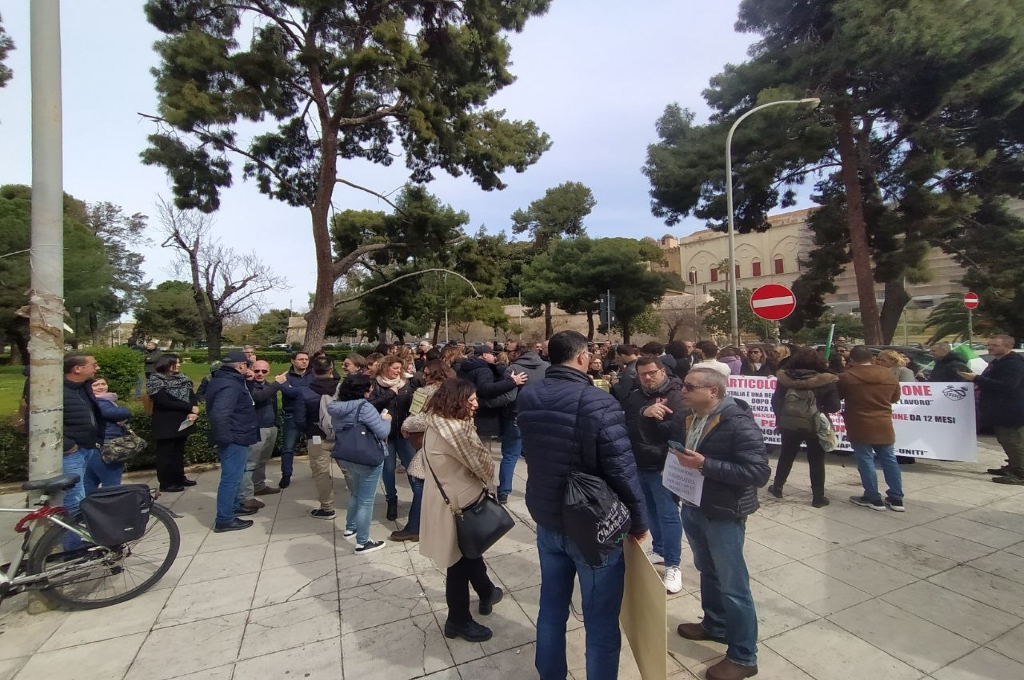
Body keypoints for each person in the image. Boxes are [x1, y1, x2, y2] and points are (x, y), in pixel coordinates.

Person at [517, 330, 648, 680]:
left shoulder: (529, 393)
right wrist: (639, 520)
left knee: (551, 608)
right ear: (581, 357)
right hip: (591, 522)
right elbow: (621, 468)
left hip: (547, 513)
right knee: (601, 619)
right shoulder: (597, 401)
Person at [669, 367, 770, 680]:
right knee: (708, 571)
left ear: (712, 391)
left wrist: (706, 465)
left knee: (733, 585)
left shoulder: (738, 422)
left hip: (724, 512)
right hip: (695, 505)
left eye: (689, 386)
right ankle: (716, 624)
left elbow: (758, 473)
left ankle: (743, 656)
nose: (681, 390)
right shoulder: (692, 417)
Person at [419, 378, 504, 643]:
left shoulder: (437, 422)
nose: (476, 405)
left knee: (469, 552)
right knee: (458, 564)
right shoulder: (454, 432)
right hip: (457, 505)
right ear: (456, 402)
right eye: (471, 401)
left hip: (445, 498)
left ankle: (487, 590)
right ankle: (458, 620)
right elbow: (485, 465)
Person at [623, 355, 688, 593]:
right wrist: (644, 413)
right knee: (650, 510)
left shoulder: (678, 394)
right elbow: (627, 423)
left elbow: (678, 429)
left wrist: (650, 420)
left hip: (665, 465)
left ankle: (673, 564)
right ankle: (659, 548)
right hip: (639, 462)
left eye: (652, 372)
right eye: (643, 374)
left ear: (663, 372)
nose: (648, 377)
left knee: (669, 514)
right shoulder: (635, 395)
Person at [768, 347, 841, 508]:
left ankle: (778, 487)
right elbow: (834, 406)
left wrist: (781, 417)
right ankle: (818, 497)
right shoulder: (826, 380)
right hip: (815, 424)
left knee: (786, 455)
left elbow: (775, 401)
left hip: (789, 423)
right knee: (816, 460)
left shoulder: (784, 378)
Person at [326, 374, 391, 554]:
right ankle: (363, 542)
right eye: (369, 388)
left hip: (347, 456)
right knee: (366, 501)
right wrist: (387, 420)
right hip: (367, 457)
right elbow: (382, 431)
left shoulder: (335, 407)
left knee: (356, 493)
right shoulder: (364, 407)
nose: (371, 391)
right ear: (363, 390)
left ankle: (350, 527)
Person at [838, 346, 905, 511]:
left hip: (858, 421)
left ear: (851, 360)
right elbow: (895, 397)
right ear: (873, 359)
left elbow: (838, 396)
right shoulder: (888, 374)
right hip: (883, 422)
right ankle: (896, 498)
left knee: (865, 459)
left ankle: (872, 496)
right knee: (889, 459)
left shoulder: (847, 376)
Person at [396, 360, 457, 541]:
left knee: (420, 484)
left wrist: (406, 425)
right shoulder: (456, 391)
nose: (423, 377)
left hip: (430, 444)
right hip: (452, 443)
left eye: (427, 373)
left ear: (436, 374)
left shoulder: (423, 392)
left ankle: (415, 527)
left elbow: (419, 418)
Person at [206, 351, 261, 532]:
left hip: (237, 436)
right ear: (240, 366)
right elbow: (219, 414)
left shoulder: (227, 379)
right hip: (234, 438)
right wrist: (226, 439)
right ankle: (224, 518)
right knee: (231, 478)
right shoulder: (230, 385)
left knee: (237, 475)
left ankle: (233, 506)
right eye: (247, 365)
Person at [958, 335, 1024, 483]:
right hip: (999, 409)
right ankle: (1013, 466)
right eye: (989, 344)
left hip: (1012, 410)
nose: (990, 347)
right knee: (1005, 440)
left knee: (1014, 441)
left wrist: (976, 378)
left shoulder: (1014, 364)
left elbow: (1007, 386)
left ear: (1007, 346)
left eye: (995, 345)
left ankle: (1021, 473)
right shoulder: (998, 362)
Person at [497, 342, 550, 505]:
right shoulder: (547, 367)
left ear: (518, 352)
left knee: (510, 455)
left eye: (510, 350)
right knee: (538, 457)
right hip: (541, 416)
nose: (508, 353)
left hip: (516, 415)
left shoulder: (513, 369)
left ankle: (504, 492)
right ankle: (541, 490)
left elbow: (509, 396)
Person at [369, 355, 416, 521]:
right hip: (384, 434)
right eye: (395, 368)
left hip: (404, 432)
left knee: (412, 466)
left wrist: (410, 423)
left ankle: (418, 497)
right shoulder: (375, 384)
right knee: (388, 469)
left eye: (399, 368)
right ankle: (391, 499)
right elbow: (370, 406)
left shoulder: (406, 384)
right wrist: (389, 394)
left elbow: (413, 406)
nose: (398, 371)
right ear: (385, 368)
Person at [294, 356, 341, 519]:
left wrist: (308, 430)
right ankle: (359, 499)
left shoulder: (305, 392)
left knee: (321, 473)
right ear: (331, 369)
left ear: (312, 371)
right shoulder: (341, 389)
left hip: (316, 436)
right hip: (341, 435)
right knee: (349, 470)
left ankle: (327, 507)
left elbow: (299, 418)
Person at [62, 354, 107, 519]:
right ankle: (73, 544)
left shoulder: (84, 387)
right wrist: (68, 445)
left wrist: (97, 440)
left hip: (87, 447)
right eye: (93, 365)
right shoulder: (57, 390)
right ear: (77, 369)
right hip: (71, 452)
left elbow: (95, 413)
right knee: (74, 499)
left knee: (83, 493)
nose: (97, 368)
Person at [148, 353, 199, 492]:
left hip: (183, 421)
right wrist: (188, 407)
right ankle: (166, 482)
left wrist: (193, 411)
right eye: (176, 362)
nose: (179, 365)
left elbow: (191, 396)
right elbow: (163, 401)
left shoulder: (183, 379)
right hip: (166, 422)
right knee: (166, 454)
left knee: (178, 452)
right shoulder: (156, 380)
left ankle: (179, 477)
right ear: (166, 364)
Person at [244, 360, 281, 503]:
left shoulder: (267, 385)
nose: (260, 374)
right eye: (257, 370)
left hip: (271, 426)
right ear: (251, 370)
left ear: (268, 371)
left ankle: (259, 486)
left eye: (264, 371)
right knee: (250, 463)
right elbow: (259, 397)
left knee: (262, 460)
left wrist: (276, 424)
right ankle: (246, 496)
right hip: (257, 428)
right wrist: (277, 384)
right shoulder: (248, 385)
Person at [275, 351, 313, 488]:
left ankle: (319, 471)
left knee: (316, 446)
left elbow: (317, 391)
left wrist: (295, 389)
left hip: (311, 415)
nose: (304, 362)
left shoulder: (313, 375)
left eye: (306, 359)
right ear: (293, 361)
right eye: (301, 359)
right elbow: (287, 391)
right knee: (288, 447)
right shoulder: (285, 376)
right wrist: (307, 390)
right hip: (291, 415)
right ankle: (286, 475)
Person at [89, 375, 129, 492]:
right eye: (96, 385)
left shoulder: (89, 400)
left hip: (92, 446)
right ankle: (110, 508)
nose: (101, 387)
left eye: (103, 384)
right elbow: (118, 413)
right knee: (112, 484)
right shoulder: (100, 402)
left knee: (89, 484)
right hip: (107, 445)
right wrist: (125, 410)